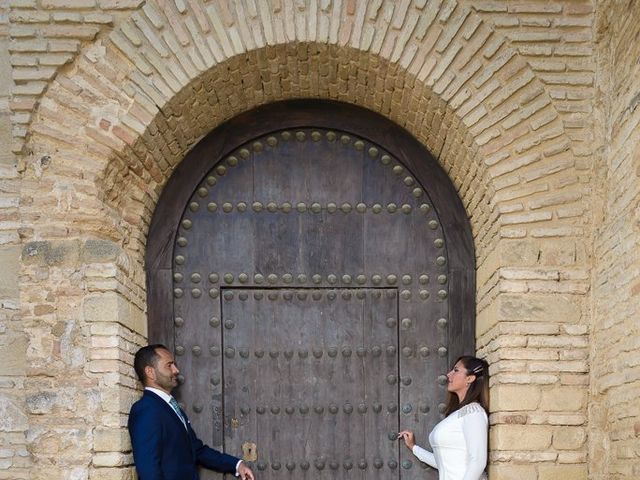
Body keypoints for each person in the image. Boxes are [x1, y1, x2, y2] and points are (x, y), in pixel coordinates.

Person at [128, 344, 255, 480]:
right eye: (169, 365)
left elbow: (196, 450)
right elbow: (148, 471)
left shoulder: (170, 406)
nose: (176, 370)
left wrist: (236, 464)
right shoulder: (146, 409)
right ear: (150, 372)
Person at [398, 355, 489, 480]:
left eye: (456, 370)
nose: (448, 374)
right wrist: (414, 448)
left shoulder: (473, 412)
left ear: (470, 378)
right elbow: (444, 463)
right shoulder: (459, 414)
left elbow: (478, 461)